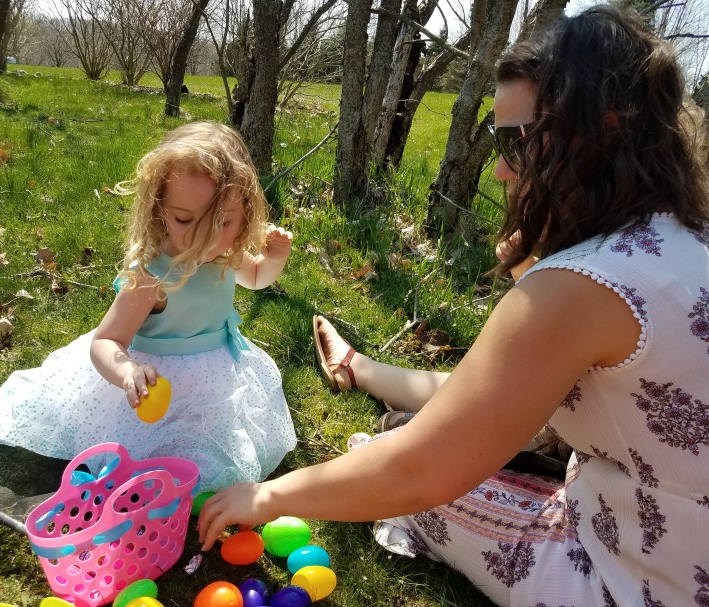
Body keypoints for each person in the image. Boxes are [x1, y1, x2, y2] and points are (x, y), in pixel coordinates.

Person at [198, 7, 709, 606]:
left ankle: (363, 377)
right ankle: (360, 369)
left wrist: (266, 497)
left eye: (517, 143)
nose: (502, 170)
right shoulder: (686, 234)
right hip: (672, 537)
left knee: (379, 454)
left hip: (641, 581)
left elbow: (419, 472)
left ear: (603, 128)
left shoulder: (580, 284)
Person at [0, 122, 298, 491]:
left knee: (207, 448)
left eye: (222, 221)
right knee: (154, 458)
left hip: (214, 381)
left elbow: (258, 276)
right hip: (153, 382)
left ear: (245, 212)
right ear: (159, 209)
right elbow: (106, 341)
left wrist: (274, 257)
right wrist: (128, 374)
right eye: (184, 219)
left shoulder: (225, 254)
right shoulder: (152, 275)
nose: (203, 236)